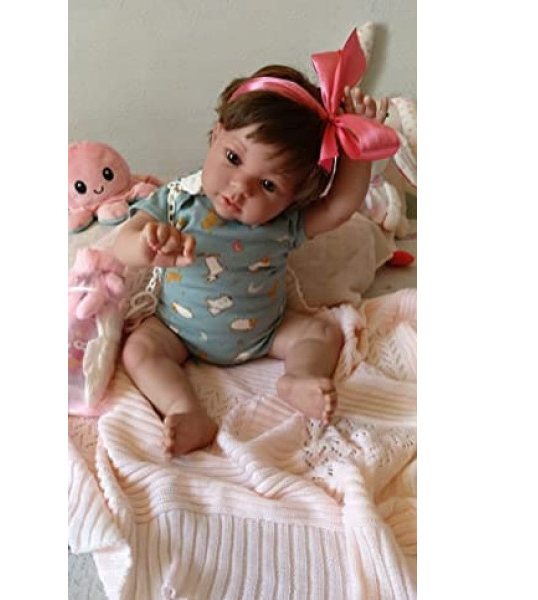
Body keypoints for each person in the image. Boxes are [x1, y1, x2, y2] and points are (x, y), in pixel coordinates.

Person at [113, 33, 398, 456]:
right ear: (216, 135)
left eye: (268, 184)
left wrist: (359, 148)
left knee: (322, 332)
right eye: (233, 158)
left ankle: (298, 379)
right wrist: (148, 245)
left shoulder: (282, 222)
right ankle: (184, 409)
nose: (240, 187)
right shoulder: (177, 200)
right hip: (176, 331)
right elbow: (122, 243)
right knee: (139, 350)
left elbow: (340, 206)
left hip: (265, 333)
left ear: (293, 196)